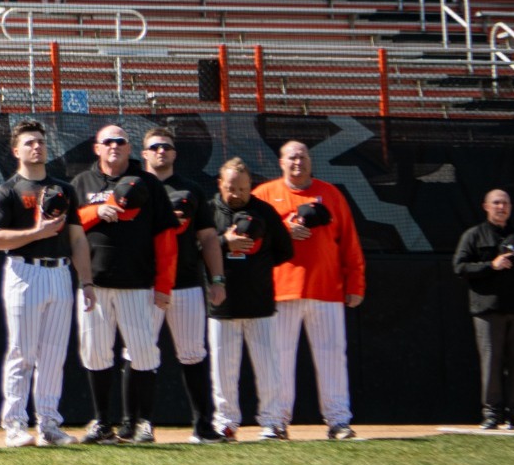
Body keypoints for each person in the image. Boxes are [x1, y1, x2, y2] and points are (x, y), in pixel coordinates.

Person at [0, 119, 92, 447]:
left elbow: (76, 239)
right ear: (16, 150)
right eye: (30, 142)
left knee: (54, 354)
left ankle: (48, 423)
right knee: (22, 351)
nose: (37, 147)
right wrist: (36, 233)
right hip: (24, 272)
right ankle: (15, 424)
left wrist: (86, 281)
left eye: (41, 142)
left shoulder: (64, 189)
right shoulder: (7, 191)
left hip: (60, 273)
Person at [70, 125, 177, 444]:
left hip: (138, 283)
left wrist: (164, 286)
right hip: (95, 284)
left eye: (121, 141)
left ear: (130, 148)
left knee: (143, 353)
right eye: (108, 141)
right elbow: (68, 227)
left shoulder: (149, 184)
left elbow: (167, 237)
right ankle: (102, 422)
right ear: (96, 148)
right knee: (95, 353)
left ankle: (142, 422)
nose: (114, 146)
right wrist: (95, 212)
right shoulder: (82, 183)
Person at [253, 140, 365, 441]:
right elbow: (248, 236)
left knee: (332, 357)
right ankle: (275, 421)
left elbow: (350, 243)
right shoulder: (264, 194)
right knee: (278, 359)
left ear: (310, 161)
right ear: (280, 162)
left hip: (326, 289)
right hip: (279, 292)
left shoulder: (331, 194)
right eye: (292, 157)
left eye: (302, 157)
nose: (298, 162)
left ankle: (339, 420)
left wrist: (355, 283)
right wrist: (283, 230)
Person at [139, 127, 227, 444]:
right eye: (155, 147)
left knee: (193, 355)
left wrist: (216, 279)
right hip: (144, 285)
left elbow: (208, 238)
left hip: (186, 283)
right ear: (144, 154)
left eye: (167, 146)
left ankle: (203, 425)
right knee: (140, 354)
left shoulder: (191, 190)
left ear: (175, 153)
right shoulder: (134, 186)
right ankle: (141, 424)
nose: (161, 151)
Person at [207, 158, 293, 440]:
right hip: (222, 305)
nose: (237, 194)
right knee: (223, 370)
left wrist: (258, 264)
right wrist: (224, 243)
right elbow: (195, 249)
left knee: (268, 367)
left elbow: (285, 251)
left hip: (260, 304)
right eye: (231, 188)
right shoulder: (208, 211)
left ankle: (272, 422)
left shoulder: (264, 212)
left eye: (243, 188)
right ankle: (226, 423)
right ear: (221, 184)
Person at [454, 190, 514, 429]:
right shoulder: (474, 235)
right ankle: (492, 414)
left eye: (505, 203)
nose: (501, 207)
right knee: (492, 361)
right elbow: (460, 267)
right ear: (486, 206)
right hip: (488, 311)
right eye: (496, 203)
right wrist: (490, 265)